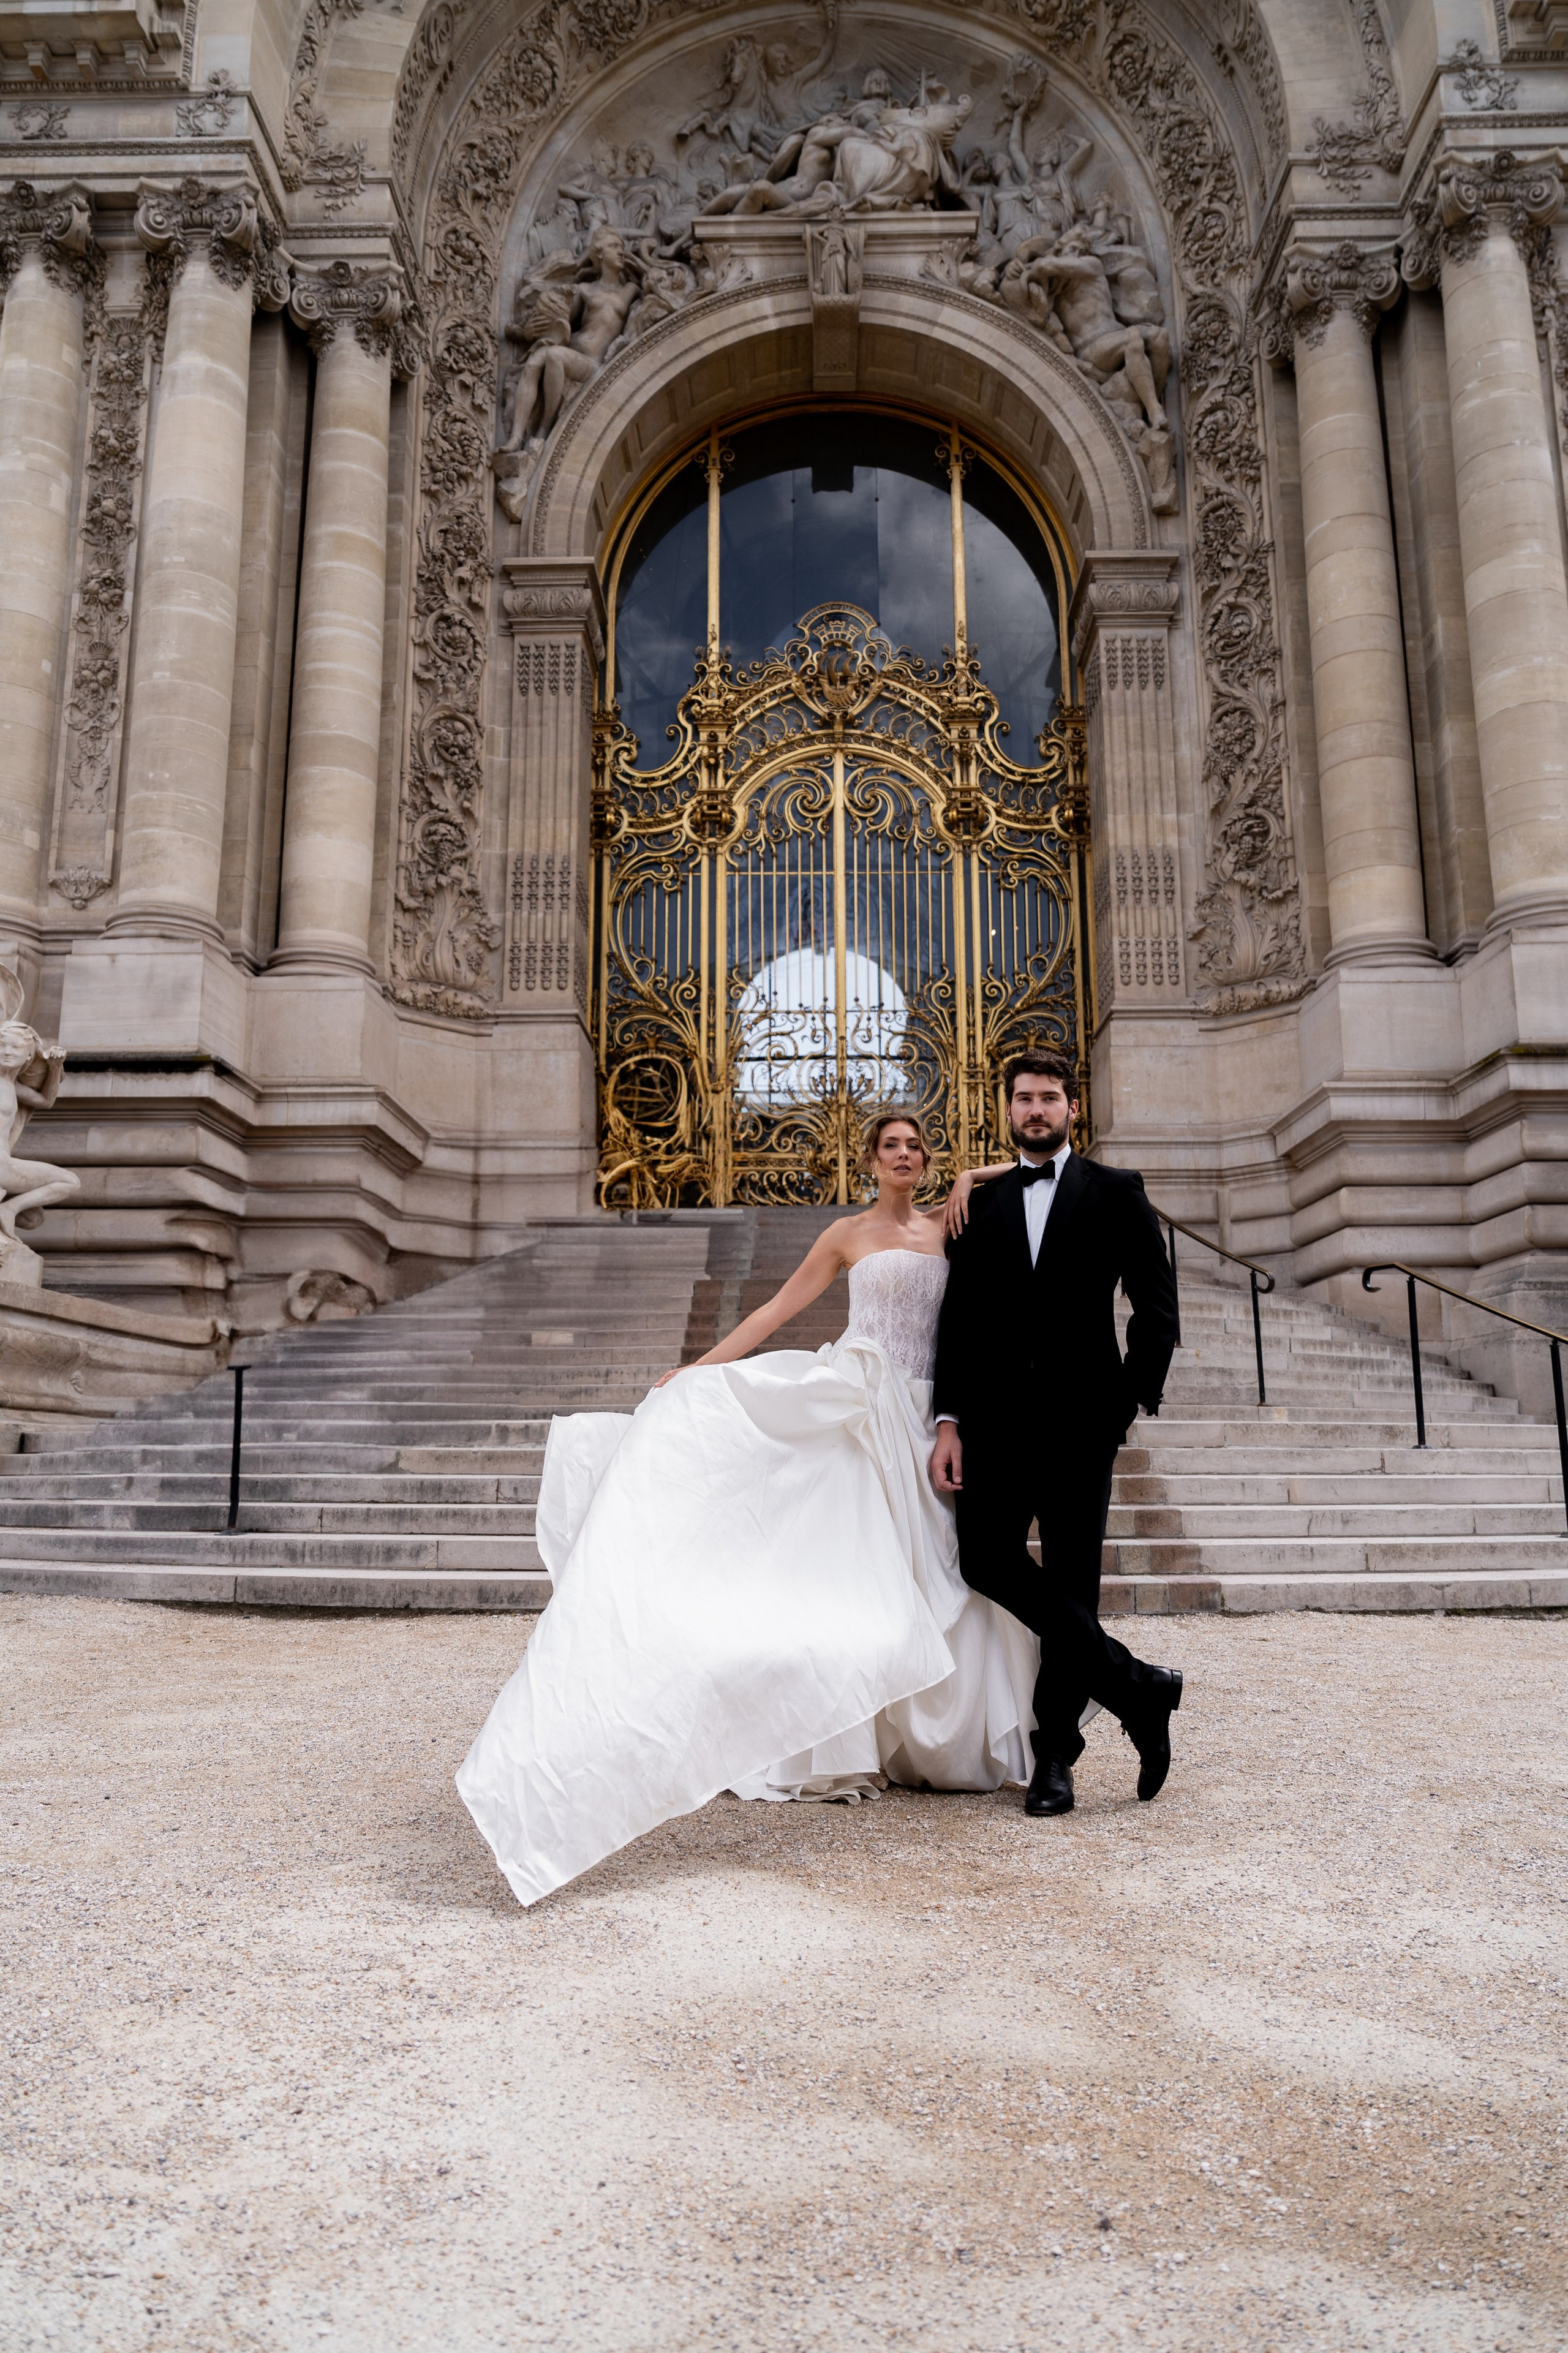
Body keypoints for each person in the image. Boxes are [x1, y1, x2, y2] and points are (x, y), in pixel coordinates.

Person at [457, 1112, 1047, 1906]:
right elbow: (774, 1311)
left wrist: (976, 1176)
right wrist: (697, 1370)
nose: (905, 1155)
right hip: (859, 1405)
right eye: (892, 1146)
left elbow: (1044, 1169)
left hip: (929, 1417)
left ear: (928, 1160)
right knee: (856, 1570)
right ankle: (845, 1734)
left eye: (916, 1146)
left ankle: (936, 1738)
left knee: (943, 1566)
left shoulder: (953, 1223)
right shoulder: (845, 1234)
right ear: (871, 1160)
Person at [930, 1051, 1183, 1818]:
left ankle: (1054, 1758)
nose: (1035, 1109)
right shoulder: (981, 1203)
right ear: (1007, 1110)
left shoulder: (1115, 1191)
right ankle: (1138, 1688)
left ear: (1073, 1107)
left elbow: (1156, 1307)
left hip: (1081, 1424)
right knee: (983, 1558)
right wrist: (949, 1419)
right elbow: (958, 1323)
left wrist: (1123, 1403)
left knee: (1072, 1583)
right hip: (995, 1426)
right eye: (1023, 1098)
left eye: (1048, 1097)